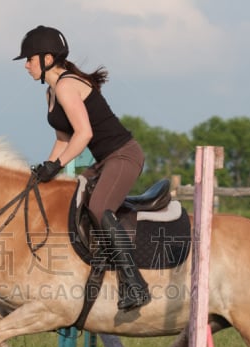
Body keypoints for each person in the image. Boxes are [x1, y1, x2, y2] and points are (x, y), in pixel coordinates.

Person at [13, 25, 150, 311]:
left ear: (47, 58)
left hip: (123, 156)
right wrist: (45, 172)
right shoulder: (51, 93)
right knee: (67, 203)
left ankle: (135, 283)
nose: (26, 65)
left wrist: (58, 165)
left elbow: (84, 134)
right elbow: (63, 139)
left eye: (29, 59)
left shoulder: (66, 85)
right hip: (103, 162)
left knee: (99, 208)